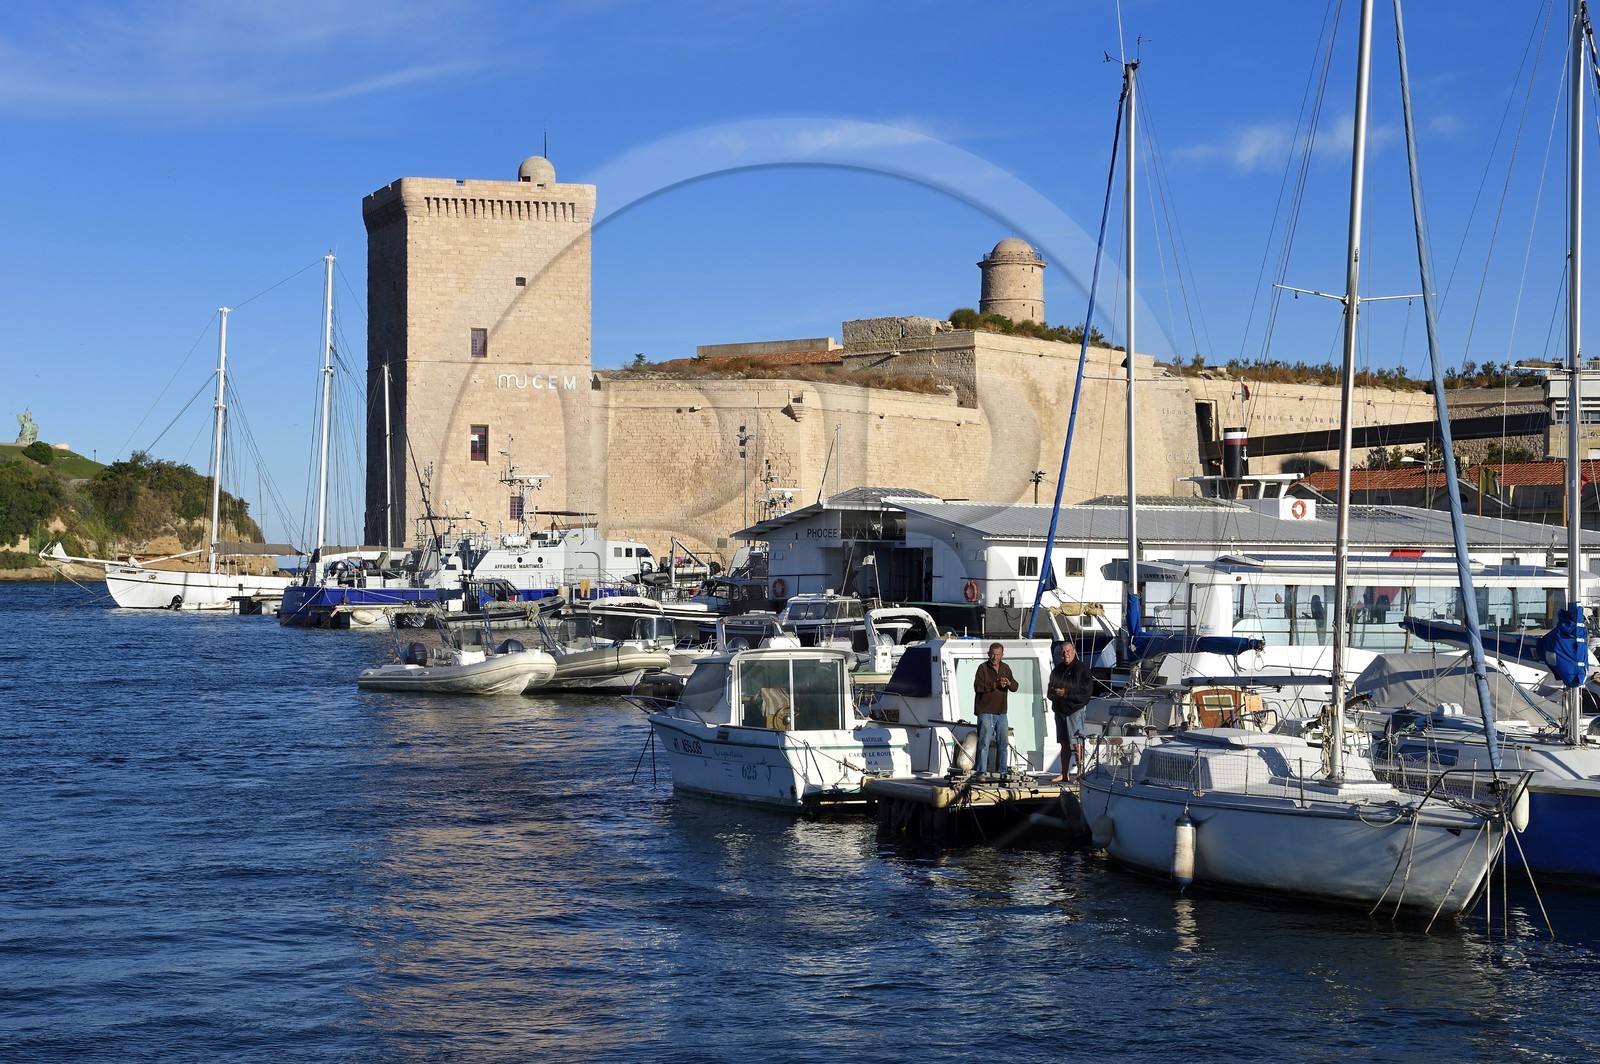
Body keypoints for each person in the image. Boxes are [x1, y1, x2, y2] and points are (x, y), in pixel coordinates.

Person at [1047, 640, 1094, 783]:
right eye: (1063, 651)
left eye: (1068, 651)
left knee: (1077, 743)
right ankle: (1064, 773)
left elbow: (1085, 693)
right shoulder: (1057, 670)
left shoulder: (1082, 669)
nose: (1065, 653)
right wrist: (1056, 694)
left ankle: (1080, 774)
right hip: (1060, 712)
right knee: (1064, 743)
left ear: (1074, 652)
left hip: (1074, 711)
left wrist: (1066, 693)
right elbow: (1050, 691)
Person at [972, 642, 1016, 776]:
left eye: (997, 654)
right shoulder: (982, 668)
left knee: (1003, 744)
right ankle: (981, 772)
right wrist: (995, 684)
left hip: (1002, 713)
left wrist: (1008, 683)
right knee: (984, 743)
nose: (995, 657)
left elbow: (1015, 687)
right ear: (988, 654)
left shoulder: (1006, 668)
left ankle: (1002, 772)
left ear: (1002, 655)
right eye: (992, 654)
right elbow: (977, 687)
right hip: (985, 712)